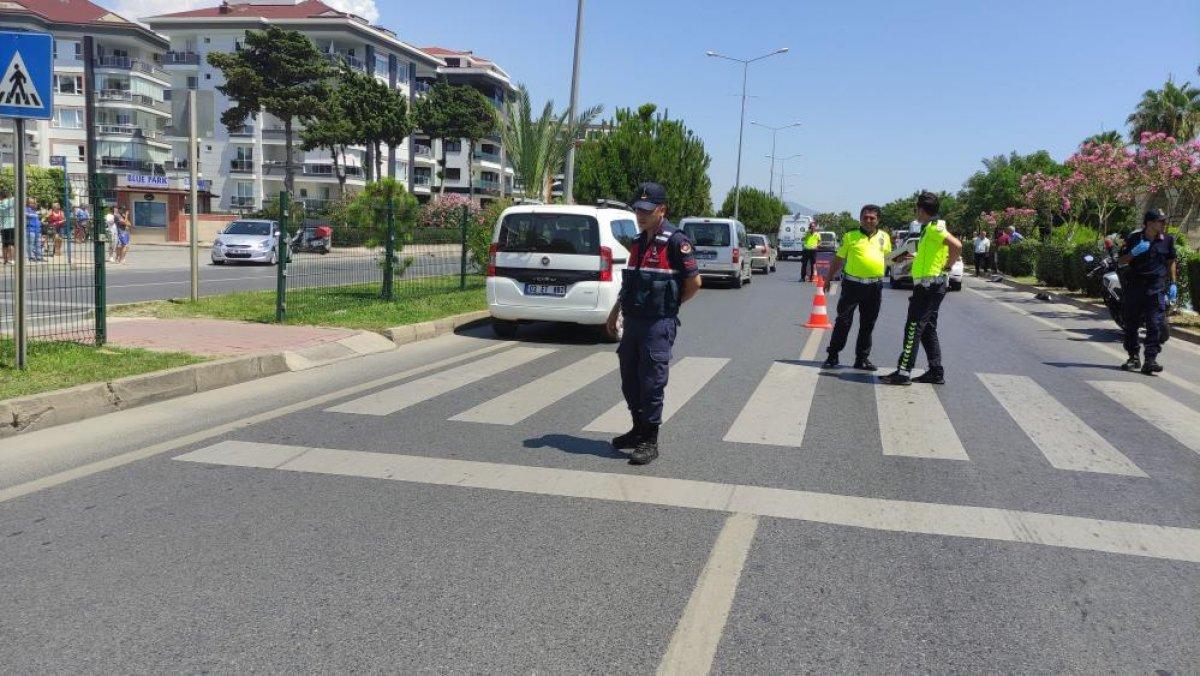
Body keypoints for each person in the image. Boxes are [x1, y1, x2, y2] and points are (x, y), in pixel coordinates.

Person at [605, 182, 701, 466]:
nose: (641, 214)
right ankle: (637, 430)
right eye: (638, 209)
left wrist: (671, 307)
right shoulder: (638, 241)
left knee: (652, 382)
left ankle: (650, 440)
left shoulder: (675, 241)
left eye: (647, 210)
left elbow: (694, 283)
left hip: (658, 323)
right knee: (630, 380)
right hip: (633, 322)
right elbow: (630, 283)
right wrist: (614, 313)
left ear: (662, 210)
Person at [881, 191, 963, 386]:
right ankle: (936, 372)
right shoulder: (928, 229)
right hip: (932, 285)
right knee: (927, 329)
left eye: (916, 208)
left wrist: (948, 266)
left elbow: (957, 245)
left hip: (929, 287)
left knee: (913, 327)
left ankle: (903, 372)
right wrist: (912, 259)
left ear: (922, 210)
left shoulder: (935, 229)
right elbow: (932, 255)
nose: (915, 212)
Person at [822, 204, 892, 371]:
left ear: (878, 220)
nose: (868, 220)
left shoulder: (885, 237)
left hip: (874, 286)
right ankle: (833, 356)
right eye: (865, 217)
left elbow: (888, 259)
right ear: (860, 219)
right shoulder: (850, 236)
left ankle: (861, 358)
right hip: (852, 285)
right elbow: (839, 259)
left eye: (872, 218)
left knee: (868, 324)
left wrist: (904, 260)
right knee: (843, 322)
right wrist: (829, 278)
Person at [1117, 209, 1178, 375]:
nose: (1164, 224)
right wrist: (1134, 252)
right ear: (1150, 223)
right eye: (1161, 221)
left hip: (1156, 288)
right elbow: (1121, 260)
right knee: (1131, 324)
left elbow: (1171, 260)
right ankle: (1133, 357)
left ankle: (1150, 360)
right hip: (1135, 287)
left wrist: (1173, 283)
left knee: (1155, 324)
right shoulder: (1134, 238)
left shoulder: (1167, 240)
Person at [24, 199, 43, 263]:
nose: (35, 204)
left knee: (38, 244)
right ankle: (31, 257)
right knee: (30, 244)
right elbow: (25, 215)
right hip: (30, 229)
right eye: (32, 203)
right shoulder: (26, 209)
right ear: (28, 203)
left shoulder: (34, 211)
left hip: (37, 229)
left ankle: (39, 257)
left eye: (35, 203)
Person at [0, 189, 14, 265]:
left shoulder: (1, 203)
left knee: (4, 244)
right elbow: (20, 192)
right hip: (12, 225)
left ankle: (5, 260)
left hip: (3, 226)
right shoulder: (12, 201)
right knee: (11, 244)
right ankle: (11, 260)